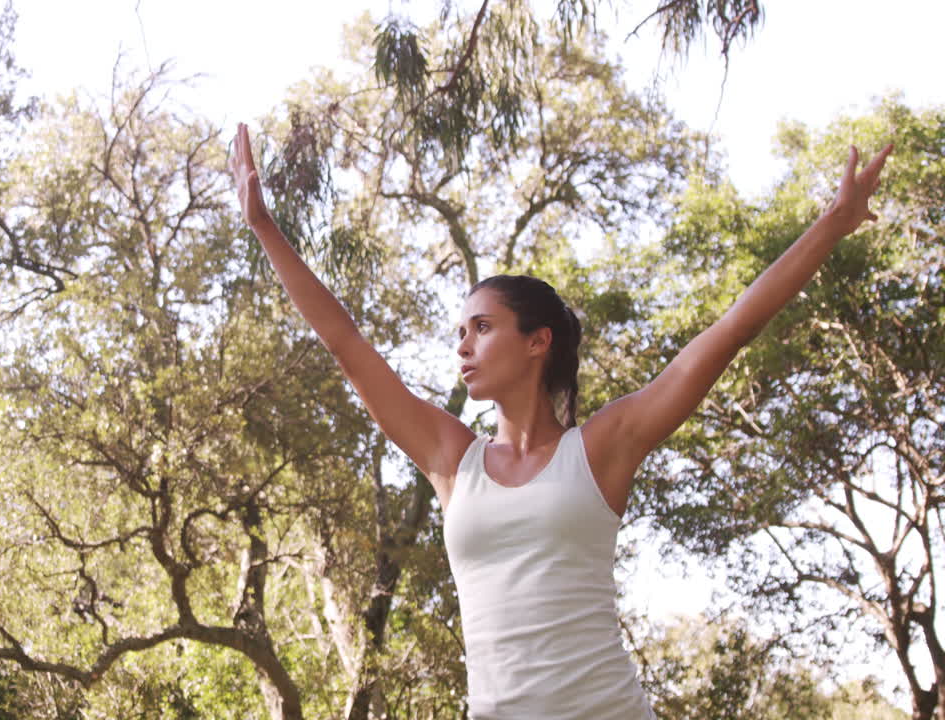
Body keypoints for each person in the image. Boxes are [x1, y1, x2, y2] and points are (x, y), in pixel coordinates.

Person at [228, 121, 892, 719]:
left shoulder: (601, 448)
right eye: (460, 332)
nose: (463, 345)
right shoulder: (452, 460)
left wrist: (831, 224)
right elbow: (345, 343)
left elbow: (728, 333)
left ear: (537, 341)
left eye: (482, 327)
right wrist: (263, 226)